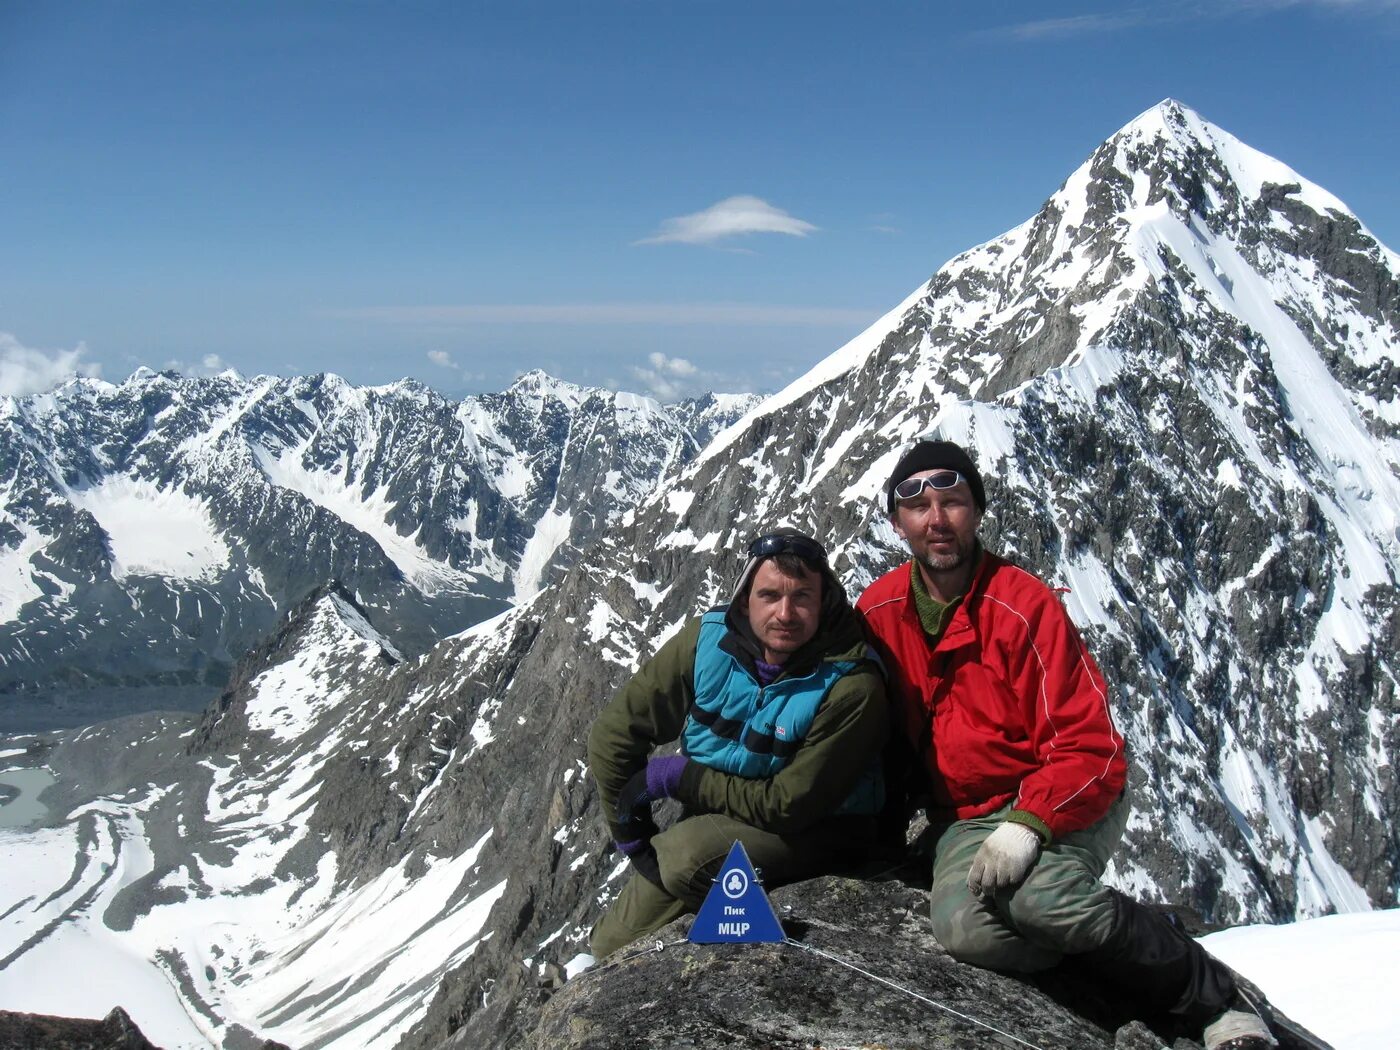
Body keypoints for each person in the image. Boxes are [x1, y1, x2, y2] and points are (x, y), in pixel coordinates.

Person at [856, 440, 1276, 1050]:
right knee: (967, 933)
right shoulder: (881, 609)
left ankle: (1212, 997)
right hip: (968, 819)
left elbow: (1092, 747)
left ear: (977, 512)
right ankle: (1125, 938)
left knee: (1040, 901)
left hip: (1068, 793)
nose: (937, 519)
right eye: (919, 508)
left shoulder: (1023, 607)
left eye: (953, 502)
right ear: (898, 524)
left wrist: (1028, 824)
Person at [587, 528, 887, 959]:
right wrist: (632, 839)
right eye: (770, 595)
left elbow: (789, 805)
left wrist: (682, 778)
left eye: (802, 596)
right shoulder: (709, 641)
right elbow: (613, 735)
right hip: (720, 818)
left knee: (684, 857)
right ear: (745, 598)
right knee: (608, 948)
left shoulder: (851, 684)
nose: (786, 613)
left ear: (825, 602)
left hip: (818, 831)